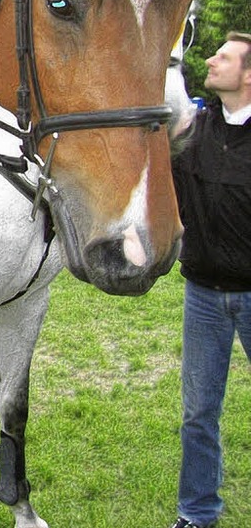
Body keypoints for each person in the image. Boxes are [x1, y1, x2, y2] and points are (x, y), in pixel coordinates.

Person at [169, 31, 251, 528]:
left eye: (224, 56)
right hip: (203, 296)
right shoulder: (193, 129)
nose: (211, 60)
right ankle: (197, 514)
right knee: (199, 413)